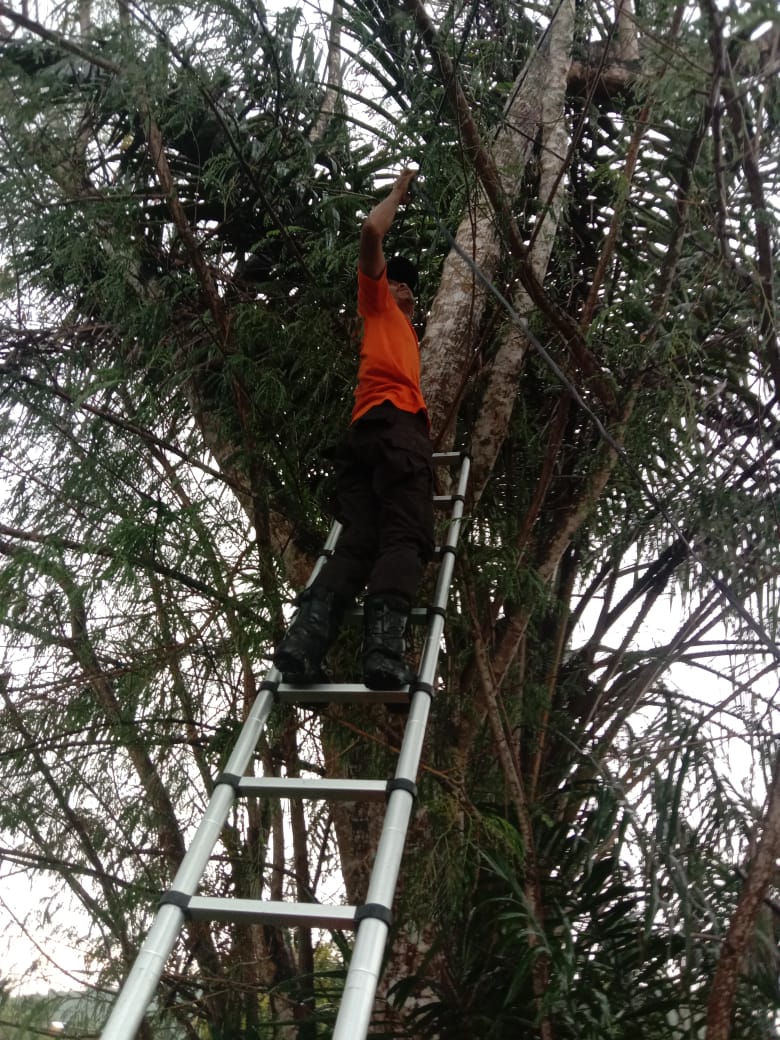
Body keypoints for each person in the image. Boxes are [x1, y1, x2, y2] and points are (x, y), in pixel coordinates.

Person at [273, 168, 434, 690]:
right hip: (394, 431)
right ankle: (383, 653)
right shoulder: (380, 306)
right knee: (405, 534)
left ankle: (303, 645)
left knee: (358, 544)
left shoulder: (402, 333)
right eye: (398, 279)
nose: (403, 285)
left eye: (409, 284)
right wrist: (399, 193)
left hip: (365, 438)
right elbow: (370, 233)